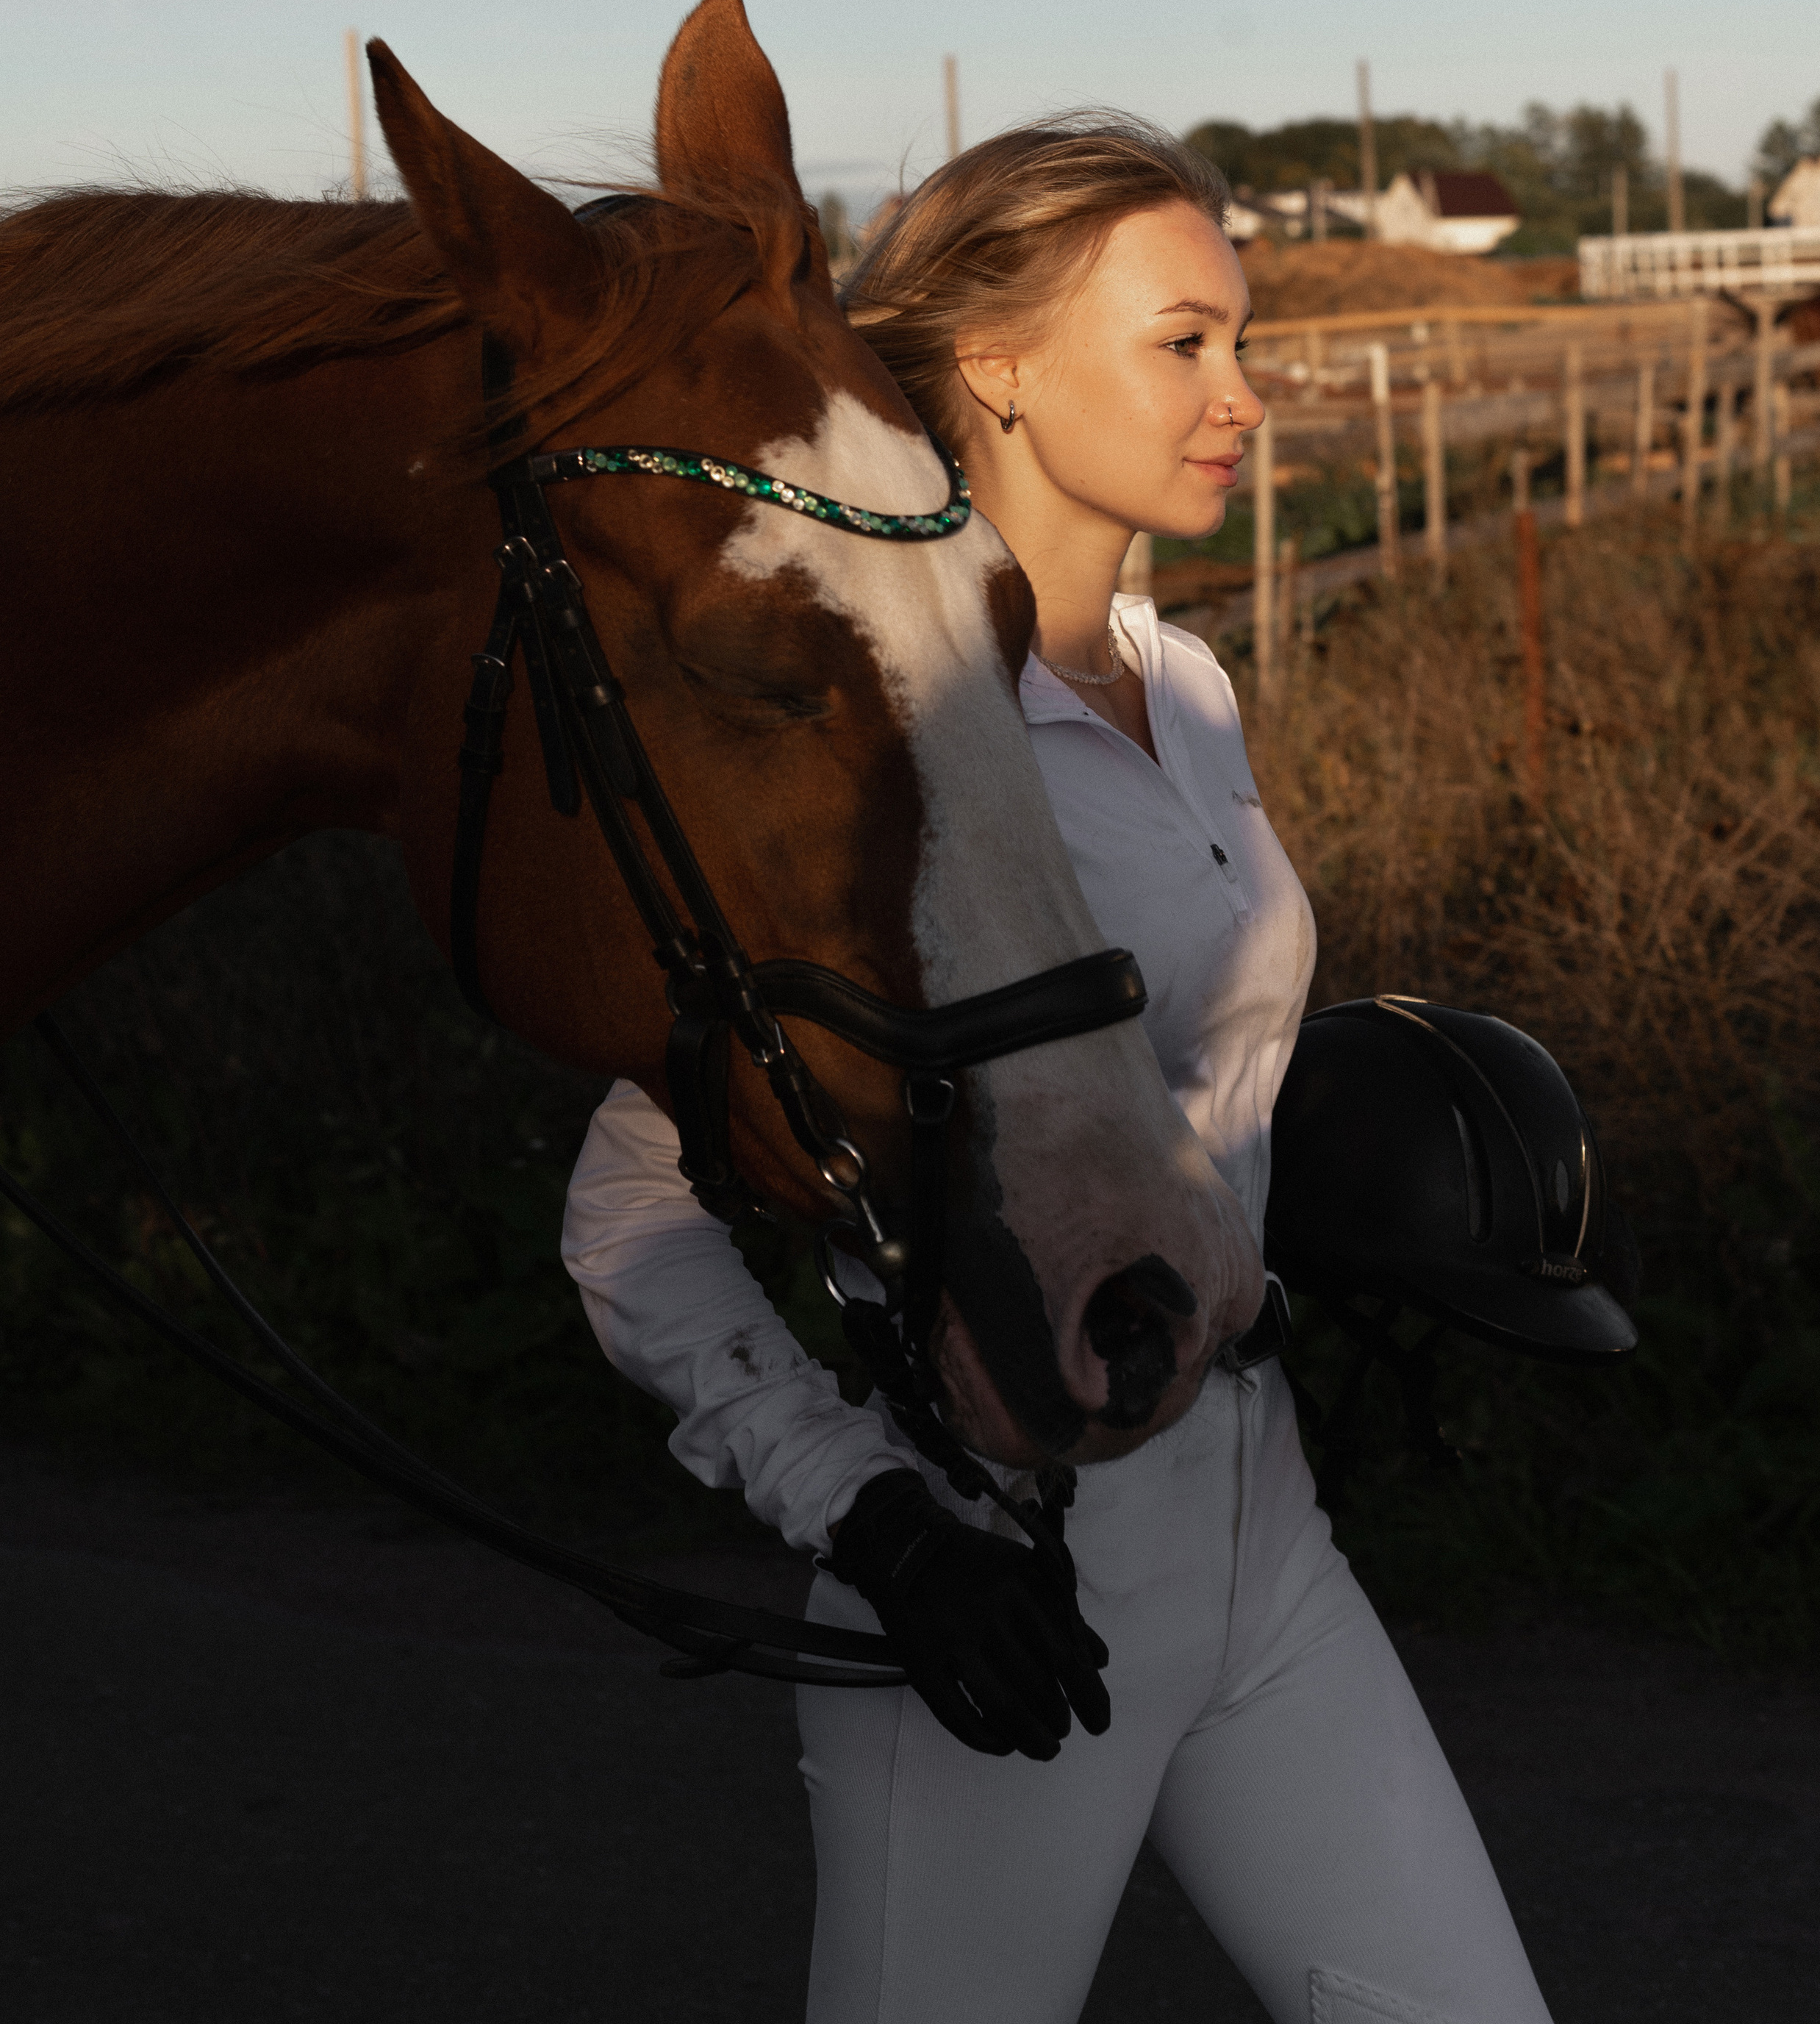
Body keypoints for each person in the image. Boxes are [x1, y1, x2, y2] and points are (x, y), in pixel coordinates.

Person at [562, 118, 1554, 2024]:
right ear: (997, 368)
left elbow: (1196, 1065)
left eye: (1240, 342)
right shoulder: (887, 743)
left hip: (1268, 1526)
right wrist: (874, 1518)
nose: (1242, 396)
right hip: (1014, 1565)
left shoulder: (1182, 684)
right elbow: (628, 1212)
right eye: (1185, 343)